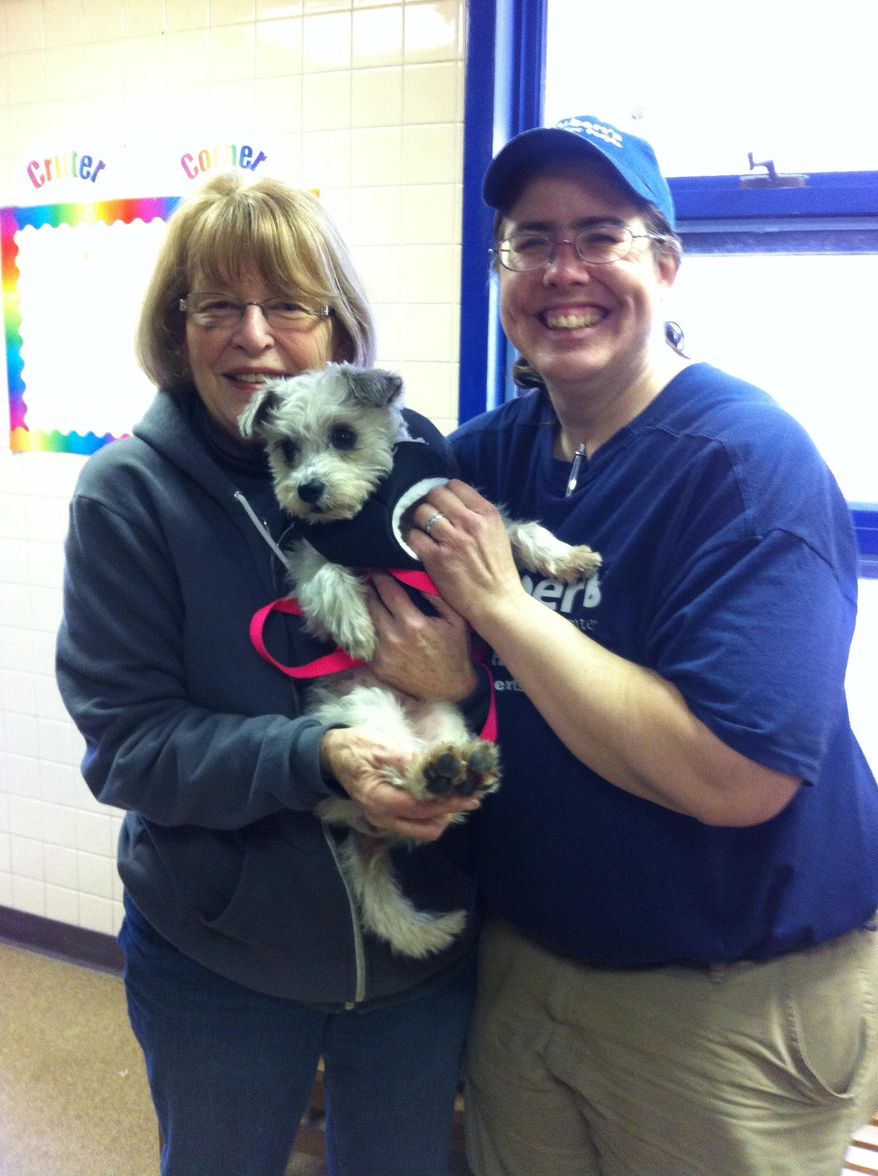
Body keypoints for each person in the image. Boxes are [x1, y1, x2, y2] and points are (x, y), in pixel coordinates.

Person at [402, 115, 878, 1175]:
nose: (561, 271)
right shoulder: (484, 458)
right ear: (501, 272)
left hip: (720, 1006)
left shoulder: (745, 465)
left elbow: (734, 774)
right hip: (525, 970)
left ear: (664, 265)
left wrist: (504, 612)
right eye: (530, 242)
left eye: (599, 235)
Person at [55, 173, 486, 1176]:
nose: (253, 335)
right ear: (180, 327)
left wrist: (464, 677)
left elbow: (503, 658)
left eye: (287, 304)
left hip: (418, 967)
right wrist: (320, 756)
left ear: (337, 326)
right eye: (218, 306)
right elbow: (128, 747)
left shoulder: (412, 461)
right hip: (224, 965)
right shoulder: (130, 495)